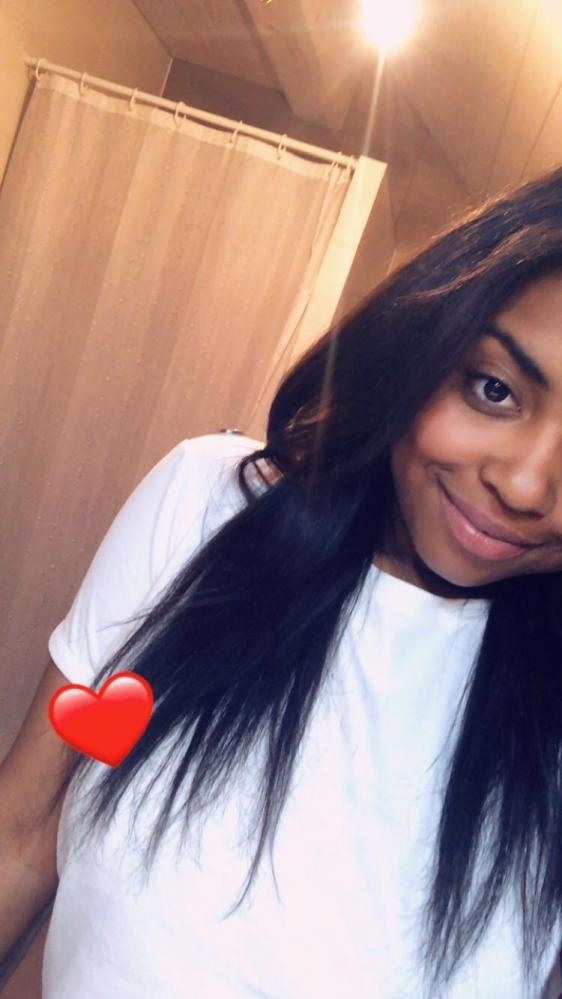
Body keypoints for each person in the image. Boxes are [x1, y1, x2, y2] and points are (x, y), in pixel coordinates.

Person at [3, 166, 562, 999]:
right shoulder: (208, 506)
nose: (525, 485)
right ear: (423, 352)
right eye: (494, 389)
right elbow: (23, 833)